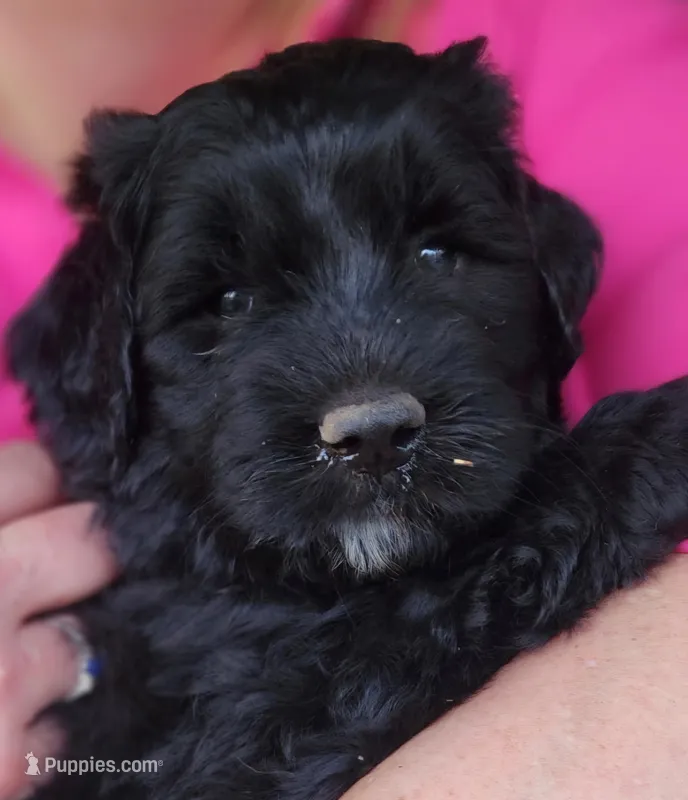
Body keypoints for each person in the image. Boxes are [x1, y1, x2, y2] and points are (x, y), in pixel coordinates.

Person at [0, 1, 686, 798]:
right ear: (107, 379)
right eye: (229, 304)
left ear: (544, 284)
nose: (365, 411)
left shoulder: (611, 45)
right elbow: (321, 724)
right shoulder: (185, 654)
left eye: (438, 255)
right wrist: (634, 471)